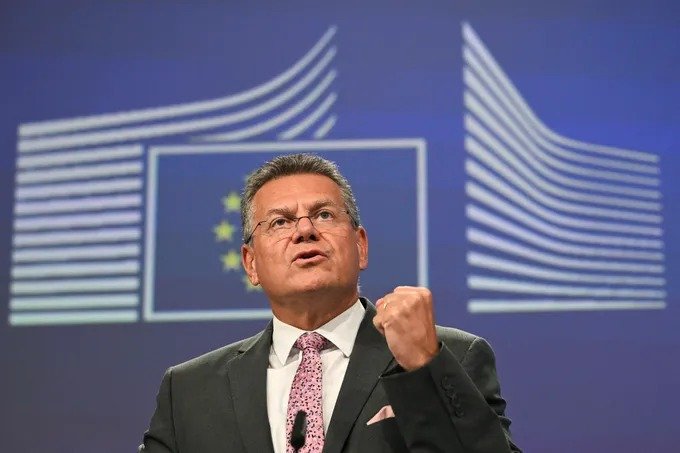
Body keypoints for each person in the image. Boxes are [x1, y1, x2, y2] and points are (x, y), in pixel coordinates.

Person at [139, 153, 521, 453]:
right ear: (250, 263)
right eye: (280, 222)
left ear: (360, 245)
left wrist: (425, 368)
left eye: (323, 215)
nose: (305, 230)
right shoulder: (189, 391)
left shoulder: (451, 356)